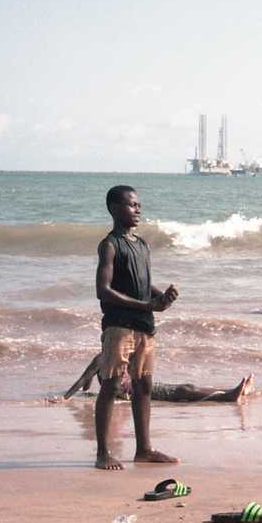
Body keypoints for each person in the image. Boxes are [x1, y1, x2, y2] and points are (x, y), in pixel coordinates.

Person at [92, 185, 178, 470]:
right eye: (132, 205)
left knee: (144, 386)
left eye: (139, 204)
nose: (138, 209)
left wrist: (160, 298)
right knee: (112, 384)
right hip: (119, 326)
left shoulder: (142, 245)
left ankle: (144, 449)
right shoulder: (110, 244)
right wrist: (146, 305)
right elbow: (103, 291)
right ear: (115, 209)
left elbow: (142, 285)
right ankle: (103, 452)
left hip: (144, 325)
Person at [62, 356, 262, 403]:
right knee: (184, 391)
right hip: (131, 393)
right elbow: (83, 380)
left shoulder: (106, 357)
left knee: (187, 387)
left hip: (136, 388)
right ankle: (228, 396)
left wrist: (88, 385)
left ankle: (233, 390)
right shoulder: (103, 357)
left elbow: (85, 382)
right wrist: (65, 398)